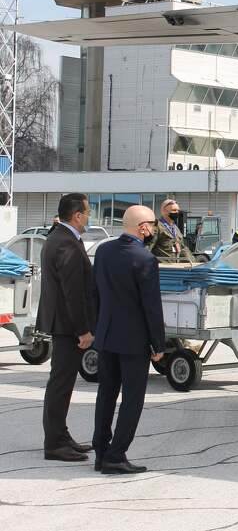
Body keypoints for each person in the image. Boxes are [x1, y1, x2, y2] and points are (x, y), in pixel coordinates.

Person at [92, 205, 166, 475]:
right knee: (132, 399)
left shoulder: (103, 251)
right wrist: (158, 344)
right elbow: (151, 306)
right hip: (133, 341)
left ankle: (101, 452)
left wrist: (97, 328)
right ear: (143, 228)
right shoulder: (145, 259)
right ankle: (116, 455)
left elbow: (94, 293)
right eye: (153, 225)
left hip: (107, 335)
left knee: (106, 394)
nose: (154, 229)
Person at [38, 193, 96, 462]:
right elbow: (72, 292)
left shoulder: (62, 237)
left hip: (63, 323)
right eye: (88, 212)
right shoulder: (65, 242)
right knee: (60, 385)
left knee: (62, 383)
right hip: (67, 325)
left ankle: (61, 435)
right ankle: (54, 443)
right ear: (77, 216)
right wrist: (82, 330)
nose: (89, 217)